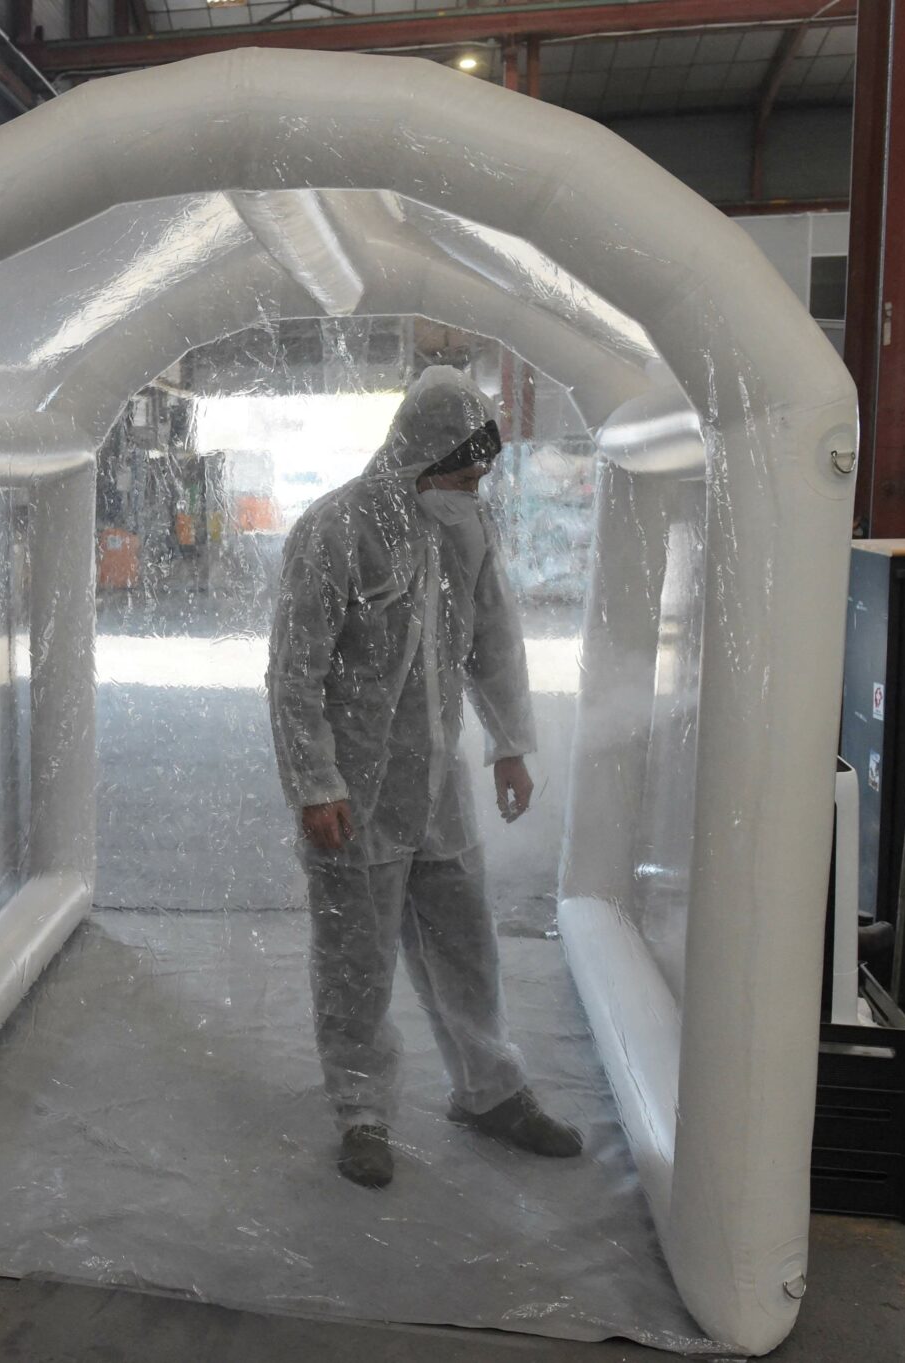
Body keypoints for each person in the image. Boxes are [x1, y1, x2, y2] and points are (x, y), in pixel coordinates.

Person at [266, 366, 583, 1189]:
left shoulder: (467, 528)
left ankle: (489, 1089)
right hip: (355, 793)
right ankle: (362, 1111)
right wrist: (315, 782)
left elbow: (495, 639)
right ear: (423, 455)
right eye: (463, 474)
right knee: (355, 959)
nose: (472, 489)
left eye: (479, 479)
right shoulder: (336, 530)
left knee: (463, 943)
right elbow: (294, 672)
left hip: (437, 786)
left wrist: (510, 741)